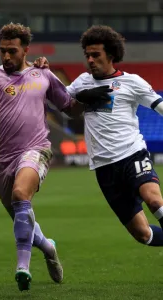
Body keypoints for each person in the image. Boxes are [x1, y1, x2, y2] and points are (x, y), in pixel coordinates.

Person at [0, 22, 111, 291]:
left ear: (26, 50)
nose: (6, 56)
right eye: (3, 51)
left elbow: (70, 109)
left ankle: (23, 268)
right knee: (22, 216)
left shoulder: (43, 74)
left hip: (36, 149)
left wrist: (88, 98)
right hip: (3, 159)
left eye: (12, 51)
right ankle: (48, 246)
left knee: (21, 195)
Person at [35, 25, 163, 248]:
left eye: (96, 55)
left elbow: (160, 106)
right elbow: (54, 102)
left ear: (111, 55)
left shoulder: (132, 82)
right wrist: (42, 72)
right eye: (87, 55)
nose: (91, 60)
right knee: (143, 235)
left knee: (153, 200)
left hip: (132, 154)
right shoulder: (82, 82)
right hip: (104, 167)